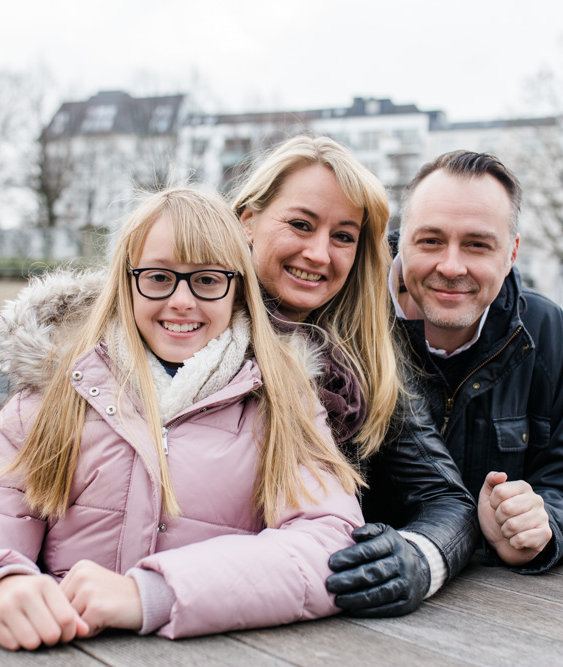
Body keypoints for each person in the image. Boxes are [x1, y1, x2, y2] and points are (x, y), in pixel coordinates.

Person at [0, 188, 365, 649]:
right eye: (159, 277)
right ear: (127, 282)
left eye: (207, 280)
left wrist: (153, 594)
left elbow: (330, 549)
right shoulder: (49, 402)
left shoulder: (285, 403)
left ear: (237, 290)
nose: (182, 301)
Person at [232, 135, 478, 616]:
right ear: (248, 221)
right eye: (301, 225)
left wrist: (419, 558)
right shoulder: (176, 323)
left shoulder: (365, 363)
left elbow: (448, 500)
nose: (320, 254)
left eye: (343, 236)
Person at [390, 150, 563, 572]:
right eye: (430, 241)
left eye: (477, 245)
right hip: (370, 586)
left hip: (500, 608)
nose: (451, 266)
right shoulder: (350, 318)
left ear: (511, 254)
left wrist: (538, 527)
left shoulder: (544, 329)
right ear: (401, 239)